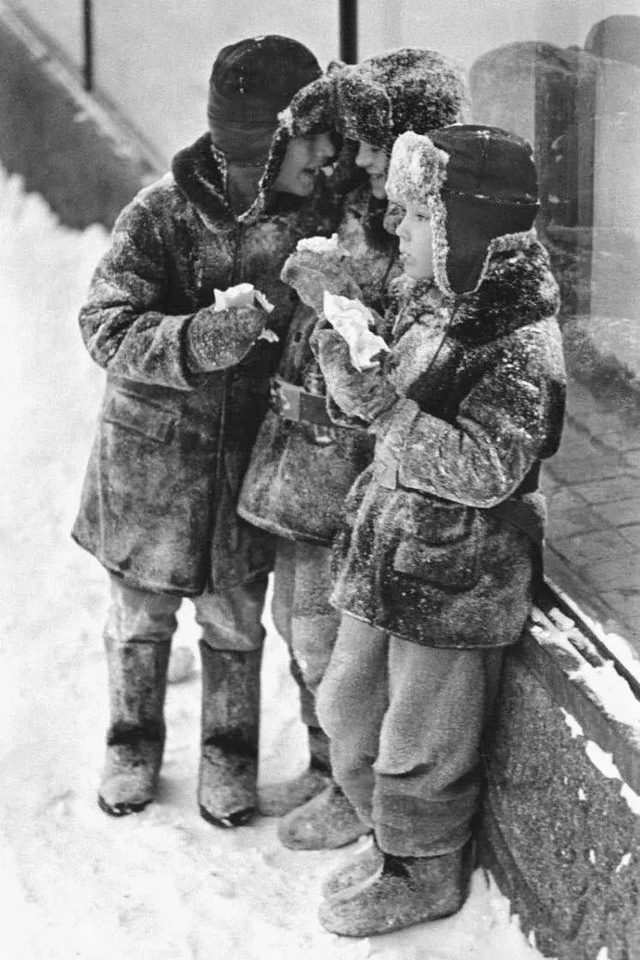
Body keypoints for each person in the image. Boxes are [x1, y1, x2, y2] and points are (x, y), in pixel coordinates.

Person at [72, 35, 339, 828]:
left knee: (233, 620)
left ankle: (230, 754)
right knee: (141, 619)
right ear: (263, 145)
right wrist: (192, 340)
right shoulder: (159, 214)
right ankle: (130, 738)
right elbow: (103, 325)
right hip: (149, 469)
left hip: (248, 470)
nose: (325, 157)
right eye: (309, 139)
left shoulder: (315, 219)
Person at [311, 125, 566, 936]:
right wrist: (355, 367)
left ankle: (421, 872)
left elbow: (489, 469)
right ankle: (387, 841)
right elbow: (402, 400)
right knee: (346, 708)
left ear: (466, 225)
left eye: (416, 217)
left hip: (458, 574)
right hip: (387, 547)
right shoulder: (437, 294)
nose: (398, 230)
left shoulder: (524, 341)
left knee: (421, 745)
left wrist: (384, 406)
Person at [238, 48, 468, 850]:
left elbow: (400, 348)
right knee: (298, 628)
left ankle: (352, 785)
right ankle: (326, 762)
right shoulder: (357, 198)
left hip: (353, 464)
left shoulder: (427, 236)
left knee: (328, 640)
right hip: (303, 453)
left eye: (372, 140)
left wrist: (334, 290)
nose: (357, 156)